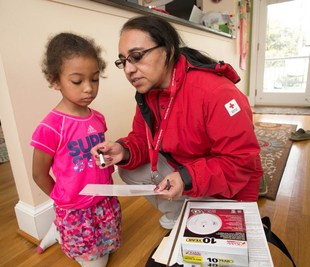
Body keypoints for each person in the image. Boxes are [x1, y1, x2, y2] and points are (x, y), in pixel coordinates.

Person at [91, 15, 263, 230]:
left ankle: (201, 210)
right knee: (128, 170)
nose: (128, 70)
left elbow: (239, 162)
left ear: (168, 49)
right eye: (123, 61)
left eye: (136, 56)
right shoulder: (147, 92)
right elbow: (143, 139)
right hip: (183, 168)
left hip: (229, 185)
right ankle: (179, 214)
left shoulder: (218, 93)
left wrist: (186, 178)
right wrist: (123, 151)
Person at [31, 32, 121, 267]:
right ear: (55, 80)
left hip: (103, 199)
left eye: (95, 79)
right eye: (77, 81)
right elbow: (39, 174)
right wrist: (62, 201)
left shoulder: (98, 118)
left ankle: (57, 230)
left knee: (107, 244)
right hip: (76, 208)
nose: (89, 89)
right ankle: (60, 228)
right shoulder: (50, 127)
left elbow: (98, 157)